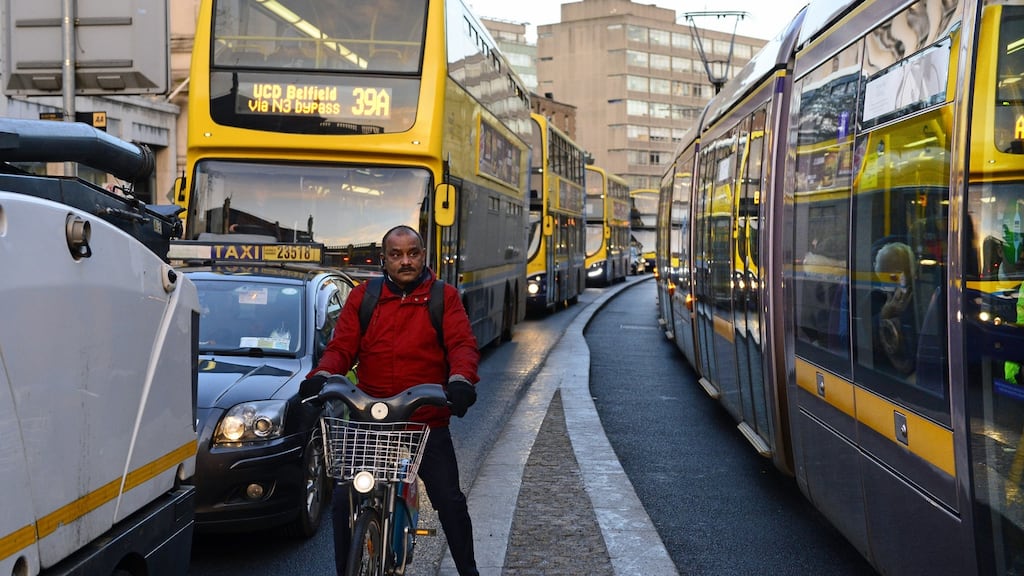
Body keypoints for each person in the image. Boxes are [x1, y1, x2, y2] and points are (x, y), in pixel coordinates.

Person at [301, 224, 480, 576]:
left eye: (412, 253)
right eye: (396, 255)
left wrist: (460, 381)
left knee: (450, 502)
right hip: (371, 419)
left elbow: (462, 345)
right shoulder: (364, 297)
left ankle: (469, 571)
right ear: (384, 259)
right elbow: (341, 347)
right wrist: (320, 377)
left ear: (423, 255)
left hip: (425, 422)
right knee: (341, 500)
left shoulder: (444, 298)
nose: (406, 261)